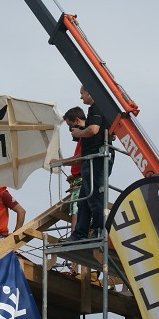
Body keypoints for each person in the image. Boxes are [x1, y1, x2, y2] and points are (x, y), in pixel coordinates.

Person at [56, 87, 114, 240]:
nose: (81, 97)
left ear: (90, 92)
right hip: (92, 159)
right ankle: (79, 233)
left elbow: (94, 130)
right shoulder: (94, 110)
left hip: (96, 158)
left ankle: (98, 231)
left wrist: (79, 133)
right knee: (84, 200)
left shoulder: (97, 107)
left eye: (82, 93)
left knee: (94, 197)